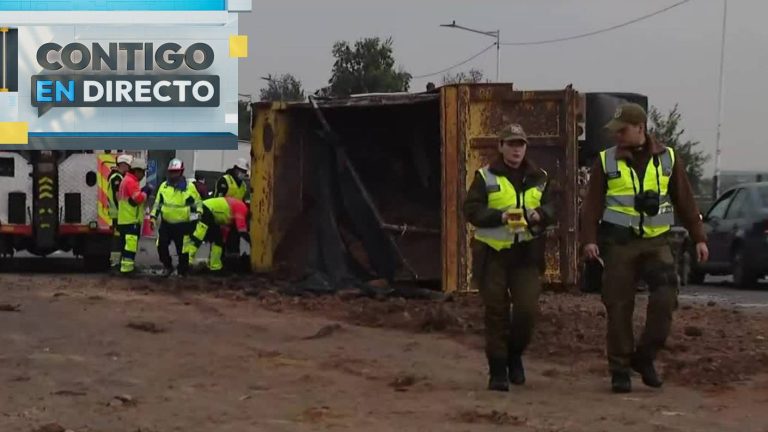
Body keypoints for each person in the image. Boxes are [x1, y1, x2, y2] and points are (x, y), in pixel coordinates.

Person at [581, 103, 709, 393]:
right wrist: (589, 240)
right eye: (615, 131)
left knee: (666, 297)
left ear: (640, 128)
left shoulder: (668, 158)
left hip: (656, 243)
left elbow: (685, 201)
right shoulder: (606, 160)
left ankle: (645, 356)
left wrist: (699, 237)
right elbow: (591, 206)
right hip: (619, 245)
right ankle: (620, 369)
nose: (617, 136)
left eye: (622, 130)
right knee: (618, 306)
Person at [463, 124, 555, 392]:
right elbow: (471, 210)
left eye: (521, 144)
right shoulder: (485, 177)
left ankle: (514, 354)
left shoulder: (539, 177)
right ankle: (498, 370)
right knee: (496, 313)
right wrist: (500, 216)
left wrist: (541, 214)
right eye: (511, 144)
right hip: (493, 256)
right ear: (501, 146)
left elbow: (554, 205)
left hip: (526, 255)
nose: (516, 149)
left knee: (527, 311)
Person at [150, 159, 201, 277]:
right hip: (166, 223)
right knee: (161, 245)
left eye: (176, 172)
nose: (173, 174)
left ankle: (182, 271)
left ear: (181, 172)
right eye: (171, 172)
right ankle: (167, 266)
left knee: (183, 250)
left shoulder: (190, 187)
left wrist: (197, 215)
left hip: (183, 225)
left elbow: (198, 203)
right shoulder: (163, 186)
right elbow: (158, 204)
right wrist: (153, 217)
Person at [184, 197, 250, 273]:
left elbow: (225, 229)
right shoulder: (242, 209)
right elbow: (241, 229)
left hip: (209, 212)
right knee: (199, 236)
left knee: (218, 241)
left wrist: (224, 242)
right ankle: (186, 262)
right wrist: (249, 244)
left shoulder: (231, 213)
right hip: (206, 210)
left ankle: (215, 267)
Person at [117, 158, 152, 275]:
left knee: (126, 246)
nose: (143, 175)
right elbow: (138, 199)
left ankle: (125, 267)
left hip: (125, 220)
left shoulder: (126, 180)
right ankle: (127, 270)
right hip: (130, 220)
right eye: (143, 172)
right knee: (130, 247)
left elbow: (132, 198)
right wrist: (146, 191)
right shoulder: (131, 182)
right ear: (137, 171)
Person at [108, 154, 133, 269]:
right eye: (128, 166)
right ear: (123, 165)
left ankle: (116, 263)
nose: (129, 168)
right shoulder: (117, 178)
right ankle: (115, 264)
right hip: (118, 214)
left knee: (118, 239)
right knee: (118, 240)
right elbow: (118, 197)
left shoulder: (116, 176)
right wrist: (124, 210)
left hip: (117, 215)